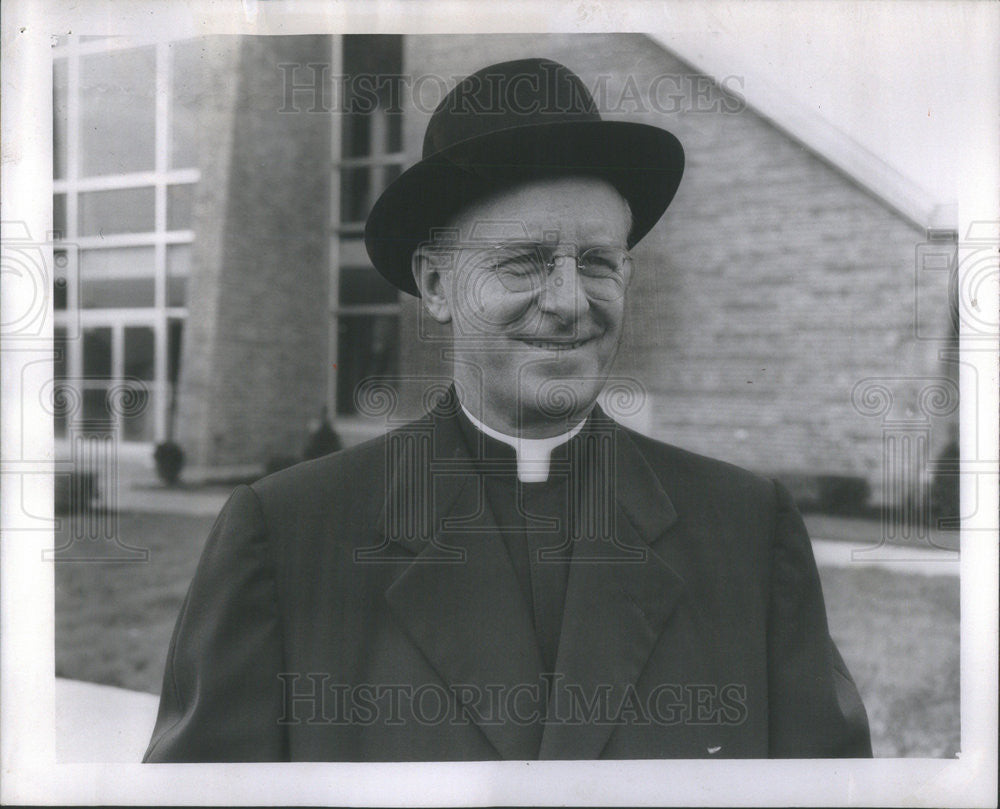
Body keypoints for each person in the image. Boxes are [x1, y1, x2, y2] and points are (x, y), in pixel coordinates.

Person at [143, 58, 871, 761]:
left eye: (596, 262)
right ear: (435, 285)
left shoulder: (746, 531)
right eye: (522, 261)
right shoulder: (290, 540)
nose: (568, 301)